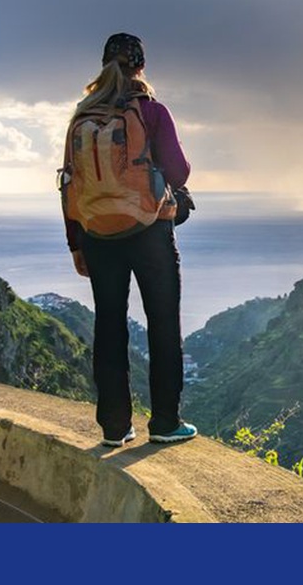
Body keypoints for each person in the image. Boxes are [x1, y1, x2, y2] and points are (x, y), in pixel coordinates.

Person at [62, 32, 197, 446]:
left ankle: (115, 427)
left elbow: (69, 185)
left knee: (108, 326)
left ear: (103, 65)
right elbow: (178, 171)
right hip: (149, 232)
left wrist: (76, 244)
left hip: (98, 236)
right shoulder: (151, 112)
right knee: (162, 323)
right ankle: (165, 423)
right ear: (141, 67)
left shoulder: (81, 119)